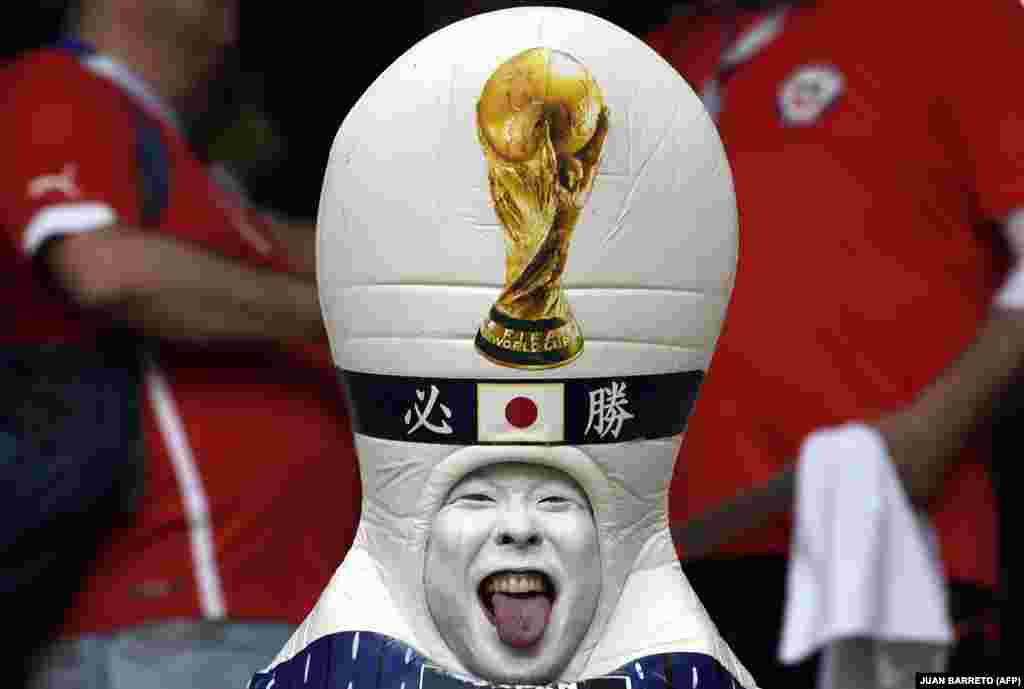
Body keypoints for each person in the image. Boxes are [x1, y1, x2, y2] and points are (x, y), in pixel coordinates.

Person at [249, 6, 760, 689]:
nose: (518, 528)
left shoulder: (680, 669)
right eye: (477, 500)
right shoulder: (342, 665)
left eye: (555, 502)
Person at [645, 0, 1024, 683]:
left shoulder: (957, 19)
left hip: (885, 548)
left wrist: (938, 420)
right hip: (664, 575)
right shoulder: (658, 56)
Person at [0, 1, 360, 686]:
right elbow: (105, 269)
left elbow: (354, 256)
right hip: (173, 618)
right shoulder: (56, 87)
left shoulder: (198, 180)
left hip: (268, 621)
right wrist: (339, 314)